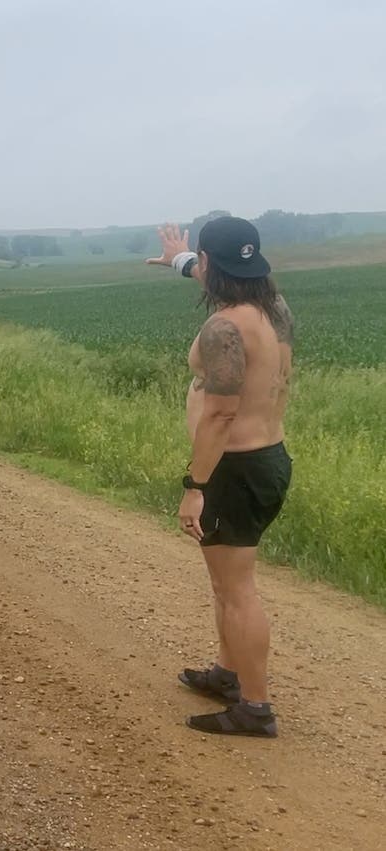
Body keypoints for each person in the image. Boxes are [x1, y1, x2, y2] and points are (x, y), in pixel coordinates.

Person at [147, 216, 294, 737]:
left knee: (236, 590)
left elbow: (220, 414)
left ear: (211, 263)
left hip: (233, 470)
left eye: (200, 262)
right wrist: (179, 260)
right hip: (268, 459)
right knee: (225, 583)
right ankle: (228, 675)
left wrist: (195, 487)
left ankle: (254, 707)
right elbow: (220, 277)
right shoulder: (273, 308)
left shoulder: (223, 328)